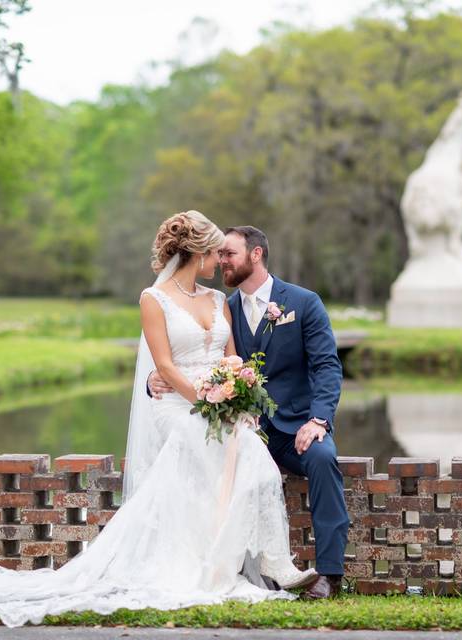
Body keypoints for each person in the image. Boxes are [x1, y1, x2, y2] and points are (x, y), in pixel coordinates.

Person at [0, 211, 316, 628]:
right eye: (215, 250)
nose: (220, 259)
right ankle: (203, 566)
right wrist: (205, 400)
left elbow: (232, 356)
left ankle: (275, 564)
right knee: (200, 444)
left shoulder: (218, 301)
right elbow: (166, 366)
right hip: (180, 405)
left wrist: (235, 393)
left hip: (218, 404)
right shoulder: (153, 299)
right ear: (197, 251)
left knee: (254, 454)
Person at [149, 225, 350, 600]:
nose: (221, 260)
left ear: (255, 255)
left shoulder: (304, 303)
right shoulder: (222, 306)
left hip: (294, 428)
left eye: (229, 254)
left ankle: (329, 574)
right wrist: (154, 377)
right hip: (239, 427)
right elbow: (192, 355)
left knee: (324, 459)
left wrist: (319, 420)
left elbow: (327, 367)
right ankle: (222, 567)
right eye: (219, 254)